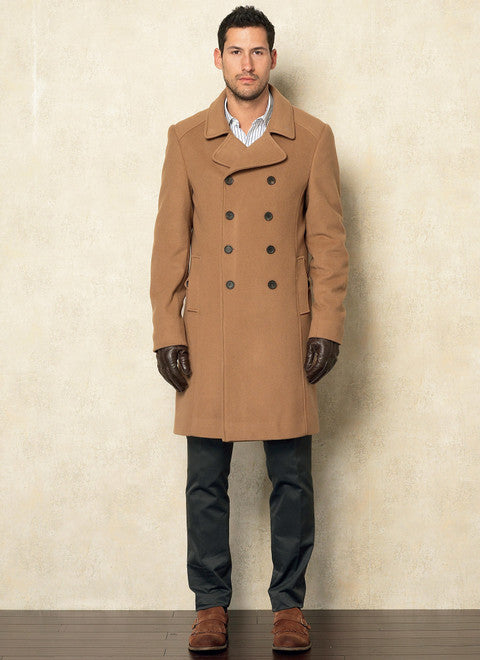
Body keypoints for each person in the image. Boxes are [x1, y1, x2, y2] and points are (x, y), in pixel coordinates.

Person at [149, 5, 349, 653]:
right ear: (218, 58)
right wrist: (167, 330)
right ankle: (210, 606)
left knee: (291, 479)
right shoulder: (186, 139)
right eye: (235, 51)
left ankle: (289, 608)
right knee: (206, 481)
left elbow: (328, 244)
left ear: (273, 59)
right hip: (209, 333)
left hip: (284, 331)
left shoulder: (312, 137)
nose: (246, 63)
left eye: (257, 51)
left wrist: (328, 324)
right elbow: (169, 246)